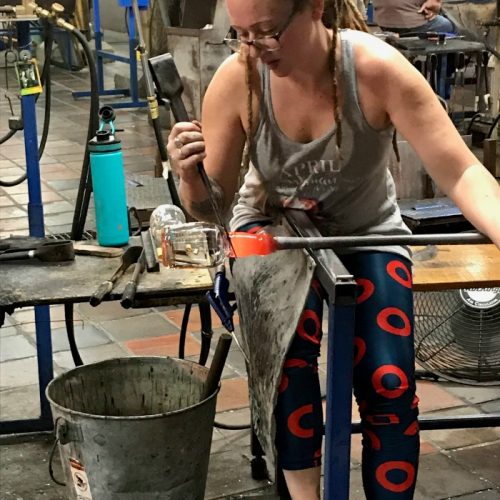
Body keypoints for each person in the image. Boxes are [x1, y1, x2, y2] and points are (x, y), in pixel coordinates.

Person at [166, 0, 500, 498]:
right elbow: (207, 208)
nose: (254, 49)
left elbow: (462, 170)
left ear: (315, 8)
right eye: (241, 34)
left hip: (366, 230)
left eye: (267, 31)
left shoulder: (375, 69)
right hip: (270, 225)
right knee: (288, 355)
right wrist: (189, 176)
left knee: (389, 379)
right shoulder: (240, 80)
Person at [372, 0, 456, 35]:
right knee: (448, 25)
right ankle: (442, 67)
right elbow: (434, 4)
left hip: (383, 22)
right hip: (412, 24)